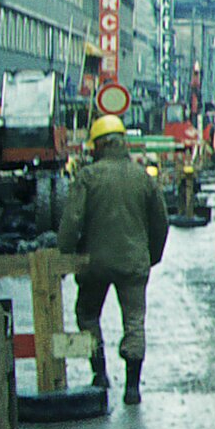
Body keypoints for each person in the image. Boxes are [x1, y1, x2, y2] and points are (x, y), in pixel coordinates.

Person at [58, 114, 169, 406]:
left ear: (98, 146)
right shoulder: (142, 177)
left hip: (93, 264)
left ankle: (100, 375)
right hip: (133, 264)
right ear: (123, 143)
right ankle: (132, 388)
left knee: (87, 313)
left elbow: (71, 222)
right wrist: (150, 257)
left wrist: (64, 260)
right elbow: (161, 222)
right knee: (134, 322)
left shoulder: (87, 178)